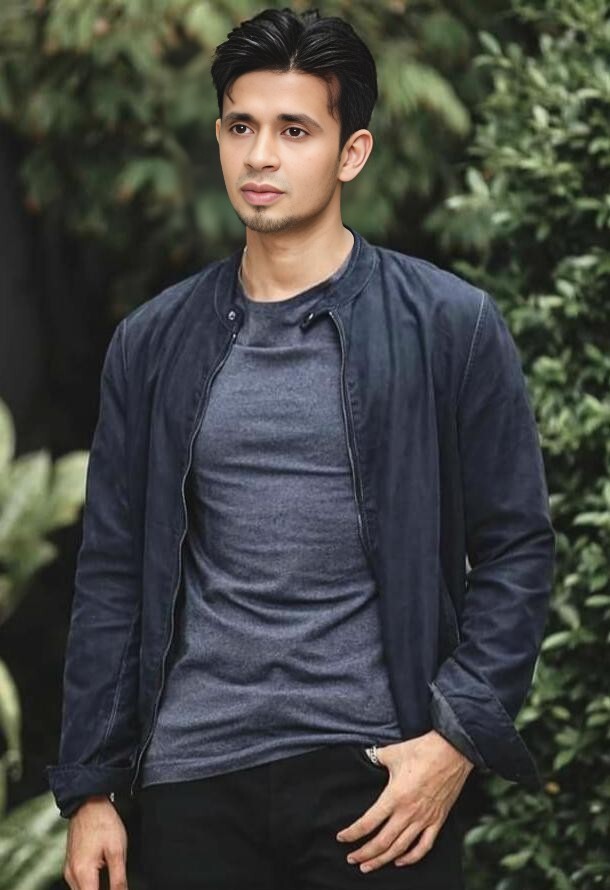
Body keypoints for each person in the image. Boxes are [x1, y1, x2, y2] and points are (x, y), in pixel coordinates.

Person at [46, 6, 556, 890]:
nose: (261, 156)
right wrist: (91, 789)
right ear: (218, 137)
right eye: (241, 126)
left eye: (294, 130)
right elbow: (113, 572)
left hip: (379, 778)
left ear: (351, 152)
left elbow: (516, 548)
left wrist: (454, 741)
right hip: (193, 779)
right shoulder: (152, 342)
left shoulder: (449, 325)